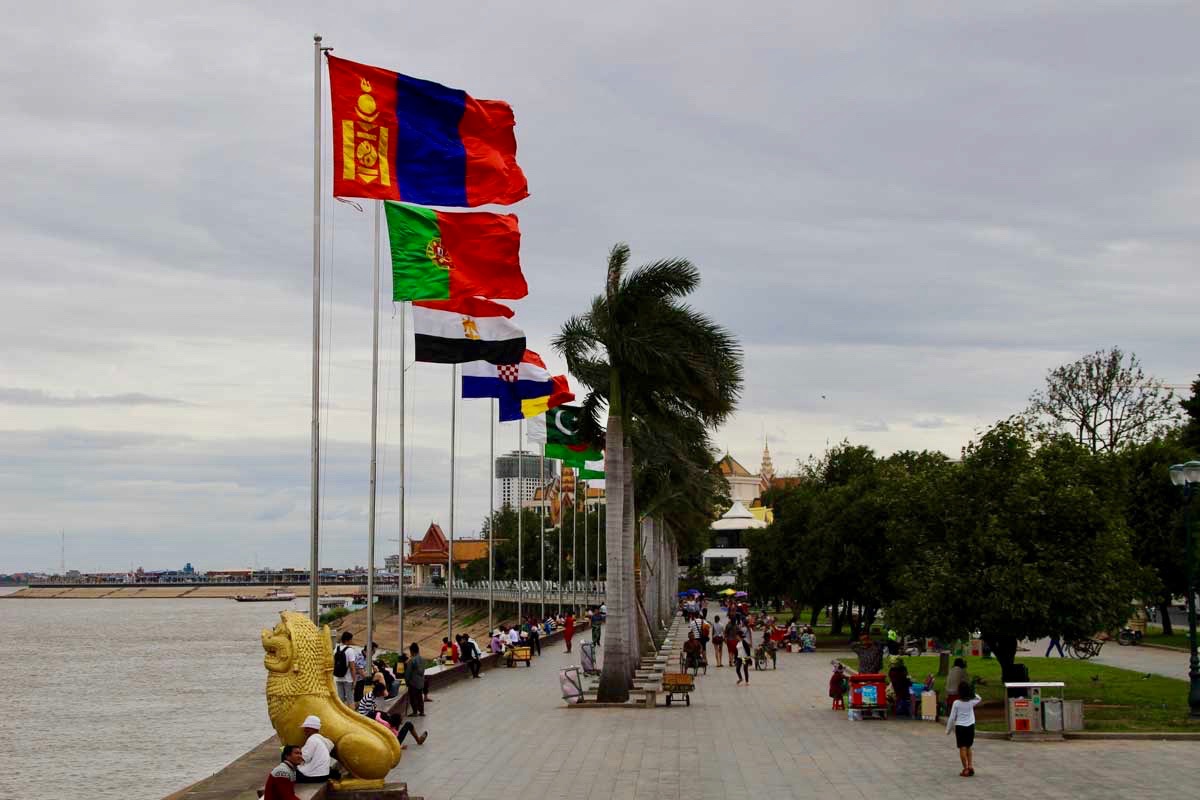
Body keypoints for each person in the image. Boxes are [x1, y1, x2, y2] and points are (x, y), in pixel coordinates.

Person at [945, 683, 982, 777]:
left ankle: (965, 768)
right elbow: (979, 698)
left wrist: (948, 730)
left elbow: (952, 717)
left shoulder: (956, 703)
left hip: (960, 727)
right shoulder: (971, 702)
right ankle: (970, 766)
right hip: (970, 726)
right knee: (969, 746)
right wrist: (972, 693)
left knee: (962, 747)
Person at [297, 715, 336, 783]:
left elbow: (304, 758)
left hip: (314, 775)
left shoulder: (312, 740)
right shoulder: (321, 739)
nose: (304, 730)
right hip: (324, 774)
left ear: (313, 729)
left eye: (307, 728)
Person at [333, 631, 360, 705]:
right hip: (348, 679)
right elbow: (352, 667)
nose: (352, 641)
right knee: (350, 700)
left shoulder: (336, 649)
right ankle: (351, 714)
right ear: (348, 640)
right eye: (351, 639)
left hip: (338, 677)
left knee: (341, 700)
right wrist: (354, 680)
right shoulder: (350, 650)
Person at [403, 643, 427, 717]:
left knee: (413, 698)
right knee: (420, 697)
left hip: (413, 683)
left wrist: (407, 681)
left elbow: (408, 673)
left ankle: (415, 712)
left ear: (411, 651)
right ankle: (422, 711)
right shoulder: (422, 659)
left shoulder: (411, 661)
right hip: (420, 682)